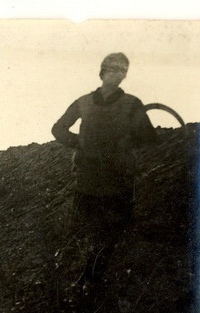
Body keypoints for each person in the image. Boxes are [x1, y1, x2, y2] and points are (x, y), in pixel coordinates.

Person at [51, 52, 157, 295]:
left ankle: (89, 280)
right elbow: (58, 129)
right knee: (99, 232)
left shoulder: (132, 103)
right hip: (92, 180)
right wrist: (81, 144)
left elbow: (148, 137)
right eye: (113, 68)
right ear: (103, 71)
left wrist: (124, 141)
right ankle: (91, 282)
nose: (118, 73)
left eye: (122, 69)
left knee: (106, 233)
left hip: (113, 179)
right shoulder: (85, 102)